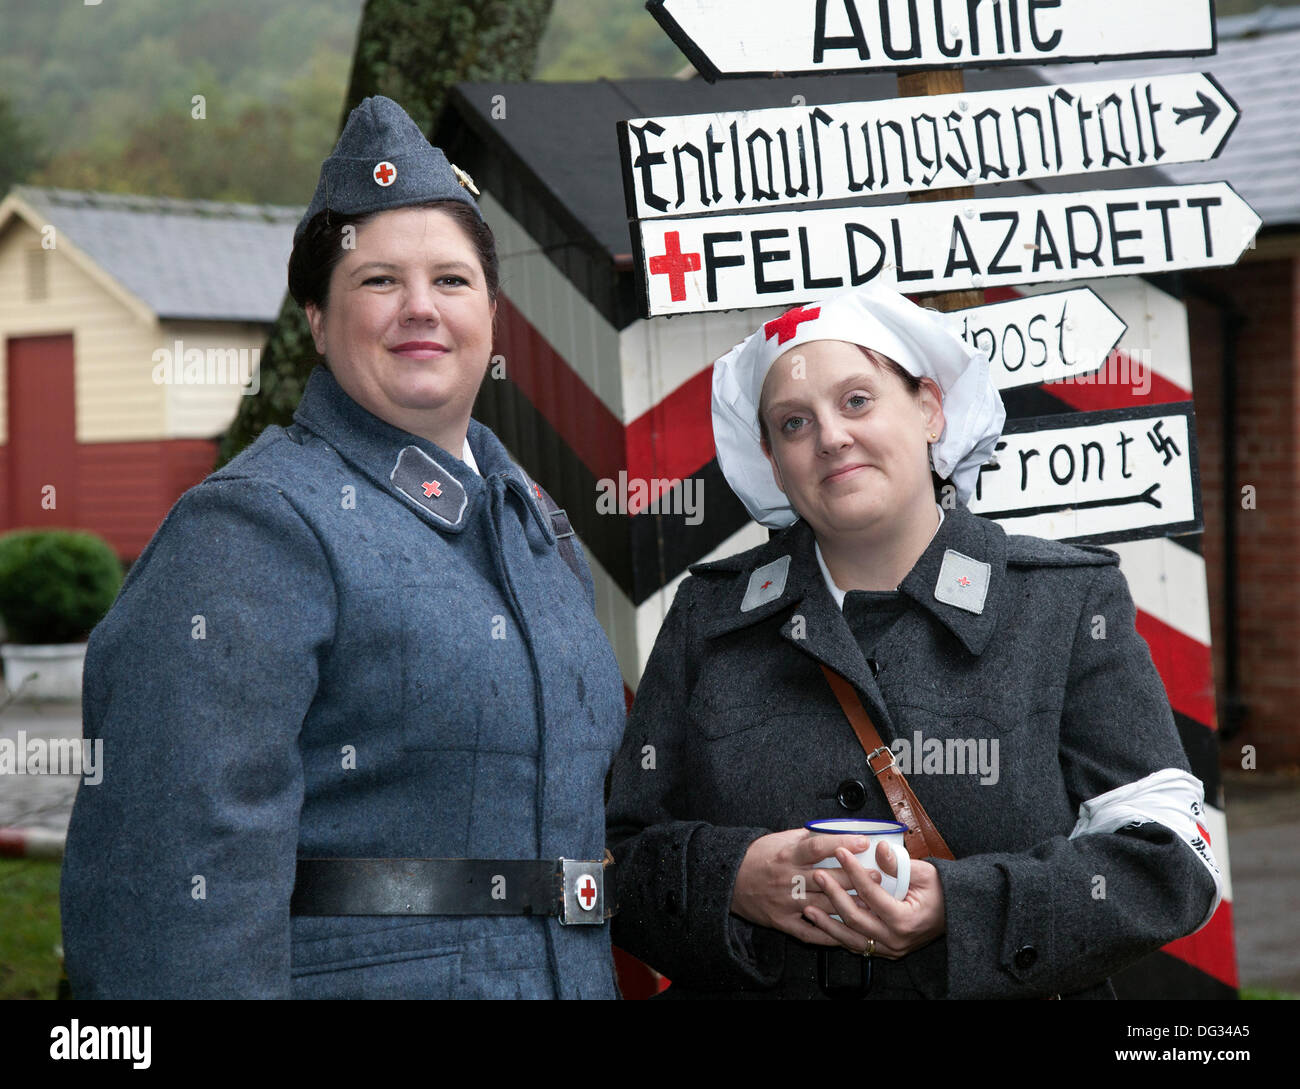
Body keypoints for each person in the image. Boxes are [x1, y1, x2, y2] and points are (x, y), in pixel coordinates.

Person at [60, 96, 627, 999]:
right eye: (377, 281)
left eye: (451, 279)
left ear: (492, 314)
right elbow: (170, 899)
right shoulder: (254, 528)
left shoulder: (531, 525)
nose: (419, 308)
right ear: (318, 322)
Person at [605, 285, 1222, 999]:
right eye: (795, 423)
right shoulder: (708, 618)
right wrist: (735, 877)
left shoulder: (1061, 603)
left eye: (857, 400)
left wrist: (964, 907)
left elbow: (1171, 857)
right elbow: (616, 862)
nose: (831, 436)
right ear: (774, 462)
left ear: (930, 408)